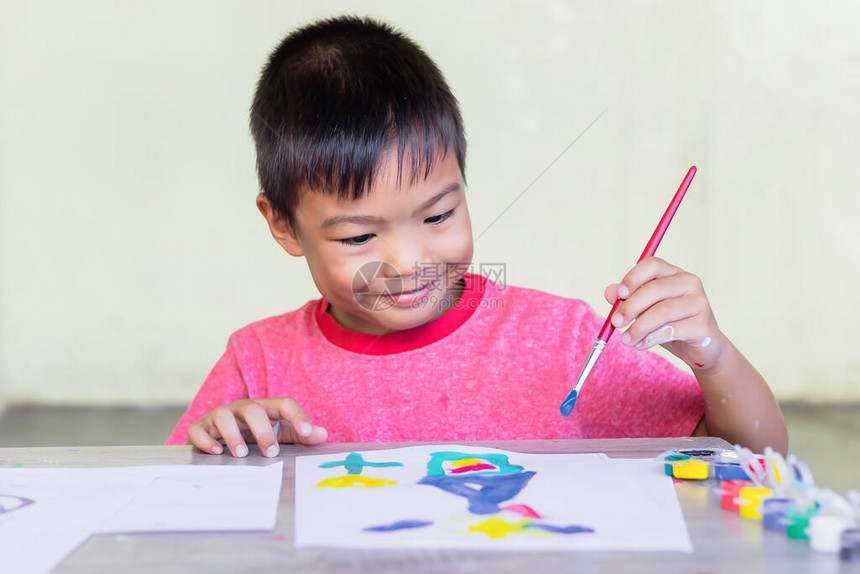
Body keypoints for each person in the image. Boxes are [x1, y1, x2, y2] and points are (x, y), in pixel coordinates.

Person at [166, 16, 787, 458]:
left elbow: (760, 458)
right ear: (283, 225)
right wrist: (220, 442)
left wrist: (715, 357)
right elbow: (166, 491)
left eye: (437, 217)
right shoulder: (259, 363)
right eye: (358, 237)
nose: (407, 262)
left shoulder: (565, 344)